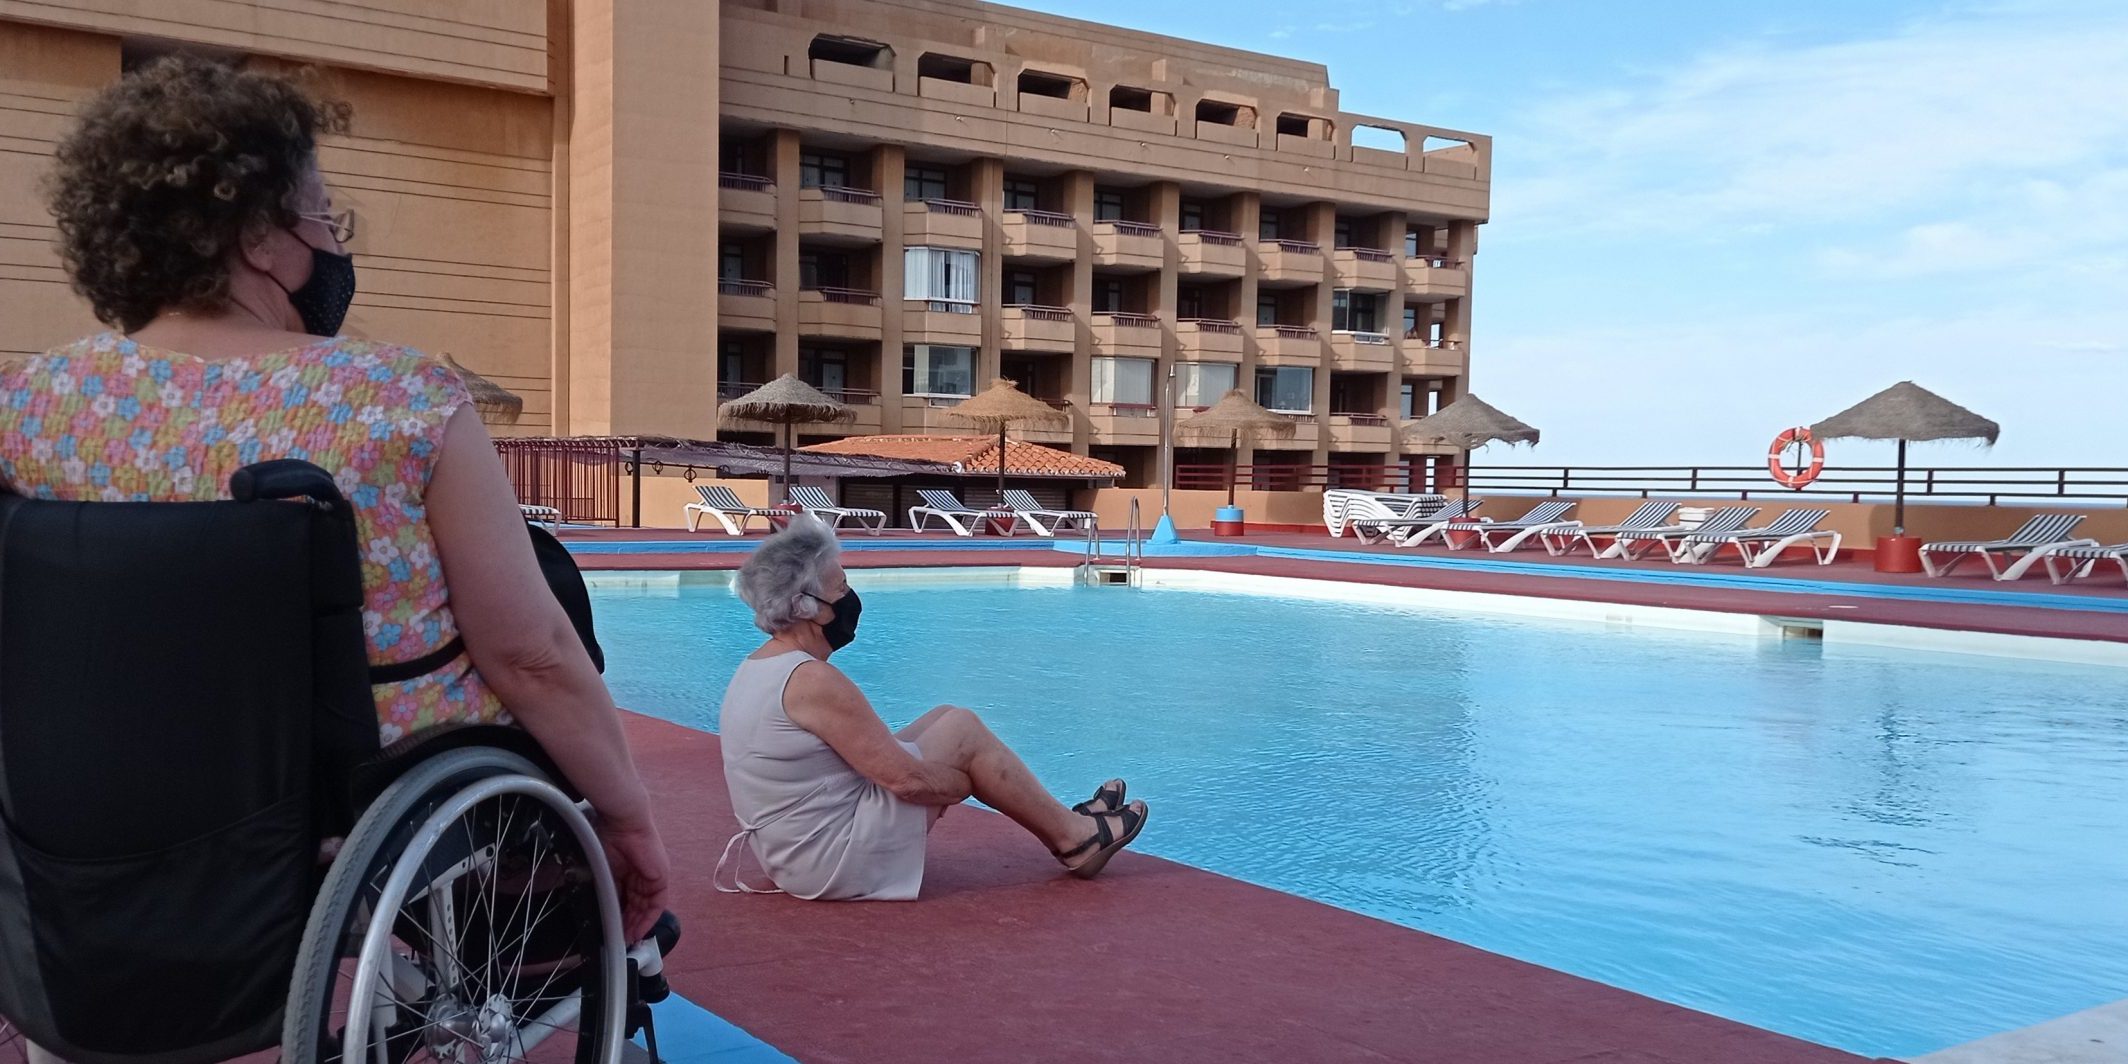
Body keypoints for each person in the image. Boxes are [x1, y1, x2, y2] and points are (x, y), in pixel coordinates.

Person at [0, 58, 670, 941]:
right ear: (261, 237)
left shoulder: (32, 405)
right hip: (354, 807)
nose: (336, 248)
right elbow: (531, 655)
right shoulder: (404, 397)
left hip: (104, 794)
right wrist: (627, 817)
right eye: (326, 218)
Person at [718, 516, 1149, 900]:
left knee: (945, 716)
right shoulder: (812, 680)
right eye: (842, 587)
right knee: (961, 731)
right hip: (828, 860)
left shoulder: (763, 665)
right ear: (809, 608)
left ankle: (1059, 819)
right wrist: (964, 780)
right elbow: (906, 783)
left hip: (793, 852)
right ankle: (1077, 840)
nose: (851, 596)